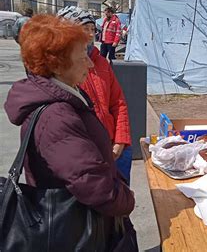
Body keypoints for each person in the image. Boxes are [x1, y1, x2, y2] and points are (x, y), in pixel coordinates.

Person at [4, 14, 136, 250]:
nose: (90, 63)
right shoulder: (56, 117)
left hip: (86, 222)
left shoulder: (65, 96)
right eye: (82, 57)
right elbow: (93, 185)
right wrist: (126, 198)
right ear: (56, 64)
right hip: (81, 228)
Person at [57, 6, 133, 184]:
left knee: (121, 198)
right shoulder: (61, 69)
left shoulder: (101, 62)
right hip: (88, 153)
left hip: (116, 147)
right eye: (85, 29)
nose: (91, 35)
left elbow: (118, 103)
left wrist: (121, 140)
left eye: (93, 29)